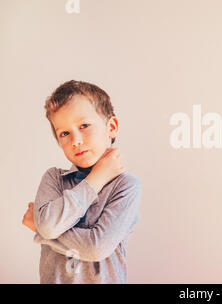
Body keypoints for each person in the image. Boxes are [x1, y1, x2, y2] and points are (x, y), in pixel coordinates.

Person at [21, 80, 142, 283]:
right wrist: (97, 179)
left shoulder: (126, 186)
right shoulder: (54, 179)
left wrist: (41, 231)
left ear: (111, 127)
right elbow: (50, 227)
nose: (75, 140)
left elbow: (96, 248)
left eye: (84, 125)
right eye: (65, 133)